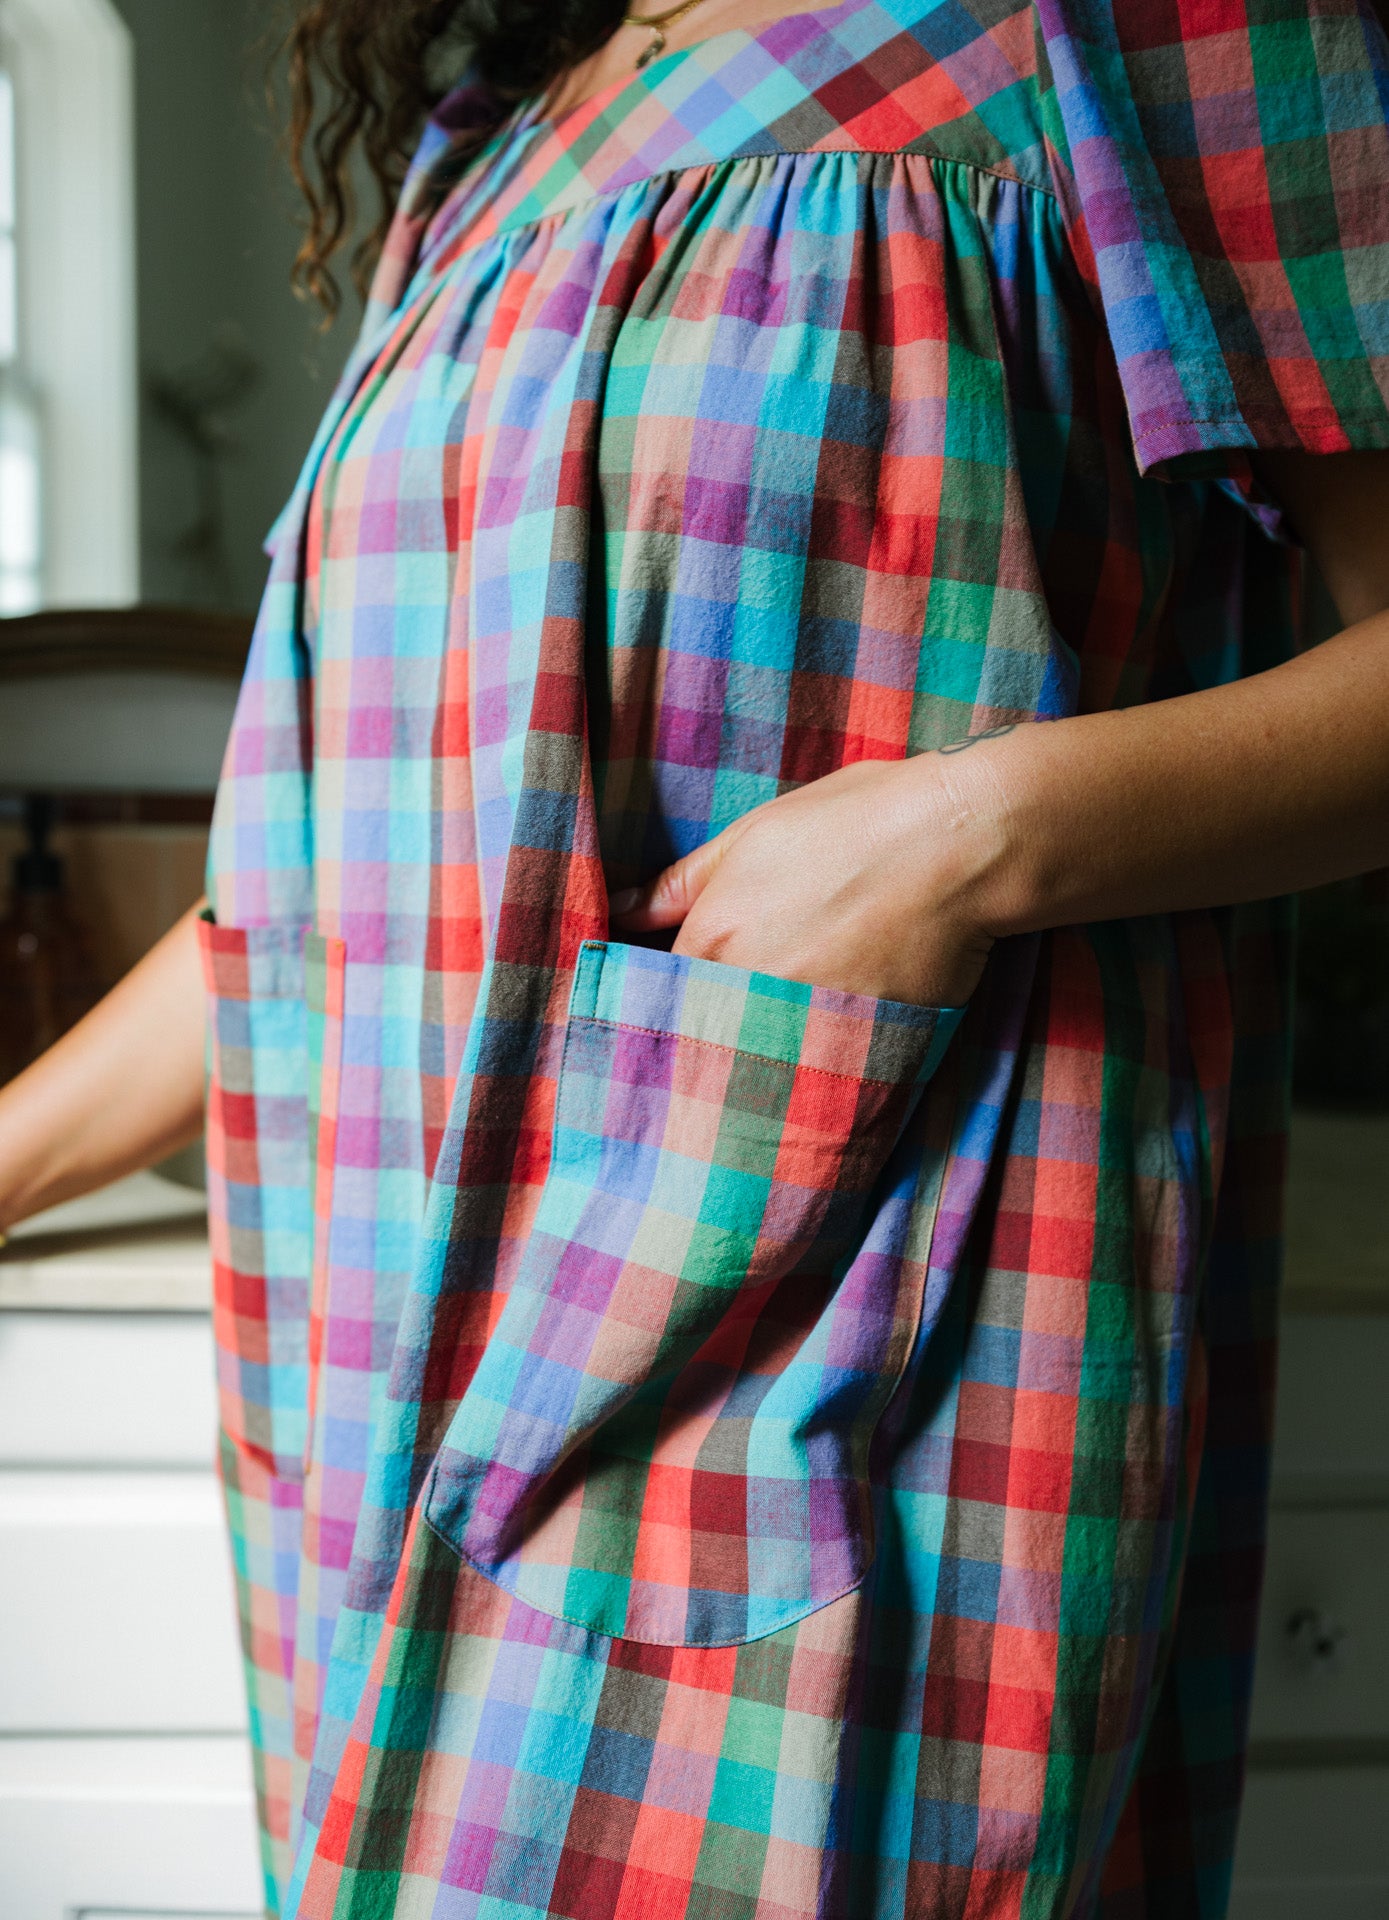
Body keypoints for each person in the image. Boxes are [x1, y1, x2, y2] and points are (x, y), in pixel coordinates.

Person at [2, 0, 1388, 1910]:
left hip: (851, 1350)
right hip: (365, 1390)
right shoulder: (483, 158)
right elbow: (330, 879)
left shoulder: (1142, 30)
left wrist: (963, 839)